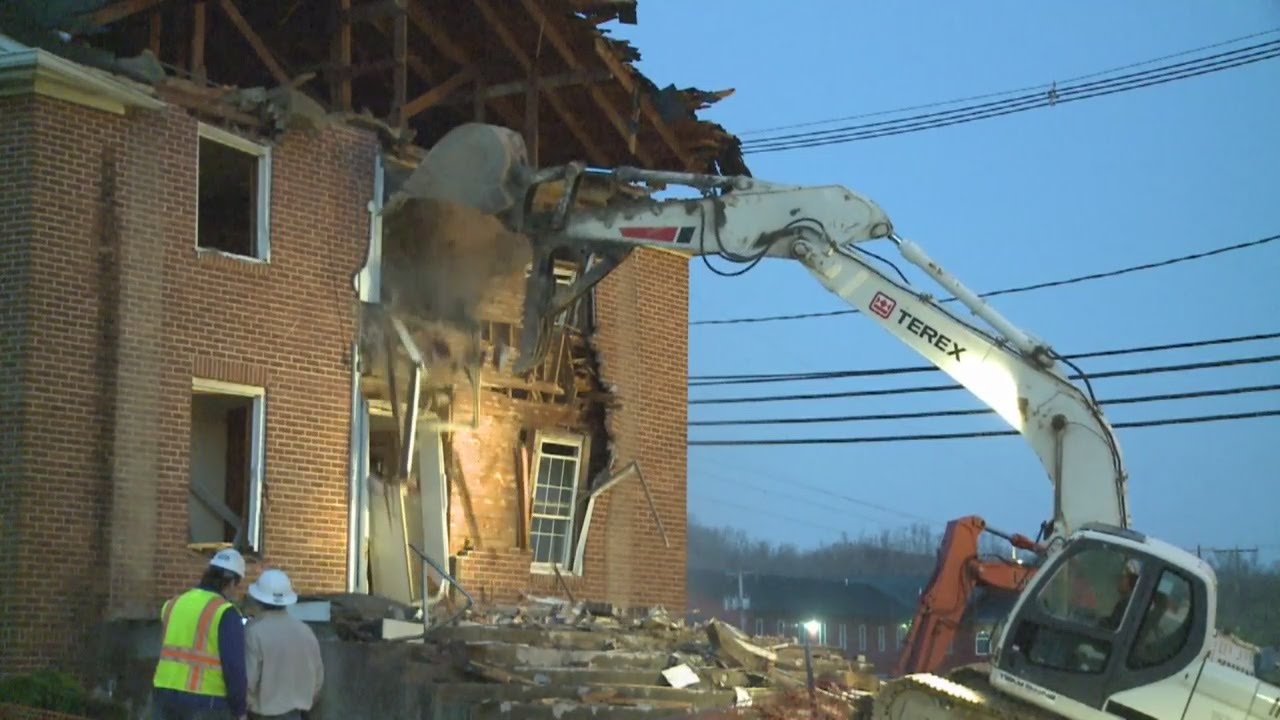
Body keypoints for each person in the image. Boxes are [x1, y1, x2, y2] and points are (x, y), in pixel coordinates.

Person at [152, 548, 249, 720]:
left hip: (163, 692)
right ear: (232, 582)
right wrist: (239, 710)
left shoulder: (173, 604)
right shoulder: (225, 612)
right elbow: (234, 667)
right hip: (206, 701)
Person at [243, 569, 324, 720]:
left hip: (262, 714)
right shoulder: (306, 632)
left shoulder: (254, 632)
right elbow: (318, 680)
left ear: (258, 599)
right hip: (296, 714)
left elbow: (247, 681)